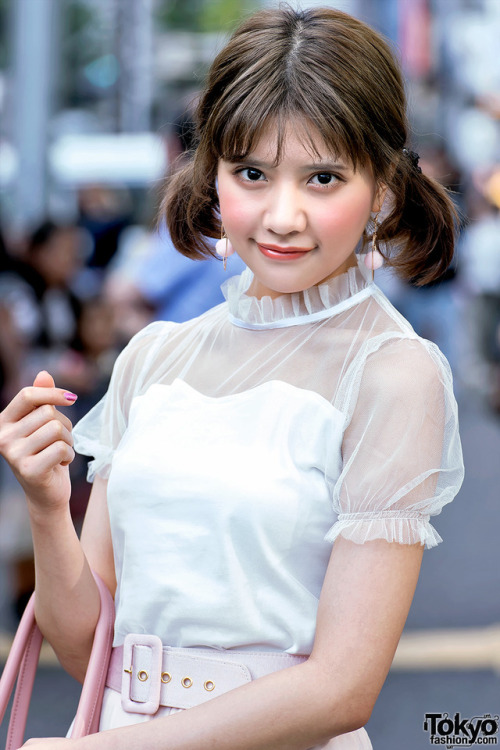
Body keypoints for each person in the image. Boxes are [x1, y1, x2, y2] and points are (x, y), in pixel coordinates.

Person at [0, 7, 464, 749]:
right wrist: (48, 507)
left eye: (322, 178)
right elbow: (88, 651)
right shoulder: (155, 357)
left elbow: (342, 687)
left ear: (381, 190)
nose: (282, 216)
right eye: (252, 172)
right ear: (212, 176)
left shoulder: (392, 373)